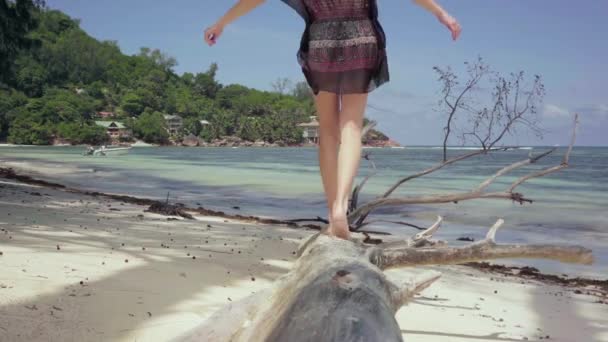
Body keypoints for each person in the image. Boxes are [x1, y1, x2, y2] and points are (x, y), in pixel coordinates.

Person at [204, 0, 461, 240]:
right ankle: (341, 208)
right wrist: (442, 14)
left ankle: (332, 212)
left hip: (321, 43)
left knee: (327, 131)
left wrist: (221, 23)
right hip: (361, 40)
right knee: (351, 128)